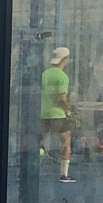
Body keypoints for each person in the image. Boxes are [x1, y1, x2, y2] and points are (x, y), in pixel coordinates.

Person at [39, 46, 76, 184]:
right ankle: (64, 174)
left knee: (40, 142)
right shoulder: (62, 76)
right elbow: (62, 98)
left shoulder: (44, 74)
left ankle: (34, 167)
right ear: (64, 60)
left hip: (43, 113)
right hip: (58, 115)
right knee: (66, 142)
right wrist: (68, 110)